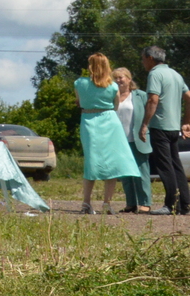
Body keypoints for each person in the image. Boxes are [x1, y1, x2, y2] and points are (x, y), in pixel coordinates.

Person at [74, 53, 140, 215]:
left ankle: (86, 203)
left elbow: (79, 102)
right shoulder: (112, 86)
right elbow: (115, 105)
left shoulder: (79, 83)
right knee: (112, 163)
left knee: (91, 162)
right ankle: (106, 203)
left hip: (89, 120)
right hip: (110, 121)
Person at [139, 45, 190, 216]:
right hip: (174, 126)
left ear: (150, 58)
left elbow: (153, 99)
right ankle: (185, 204)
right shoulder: (175, 74)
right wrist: (186, 121)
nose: (143, 62)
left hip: (160, 126)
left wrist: (145, 123)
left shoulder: (155, 74)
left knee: (165, 165)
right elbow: (189, 97)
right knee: (176, 165)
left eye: (143, 59)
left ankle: (171, 205)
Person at [112, 67, 153, 214]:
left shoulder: (140, 95)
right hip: (119, 140)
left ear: (129, 79)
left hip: (137, 139)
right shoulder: (112, 97)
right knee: (125, 174)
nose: (118, 81)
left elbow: (151, 111)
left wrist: (146, 128)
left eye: (121, 77)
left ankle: (145, 203)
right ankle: (130, 203)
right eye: (115, 78)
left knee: (141, 171)